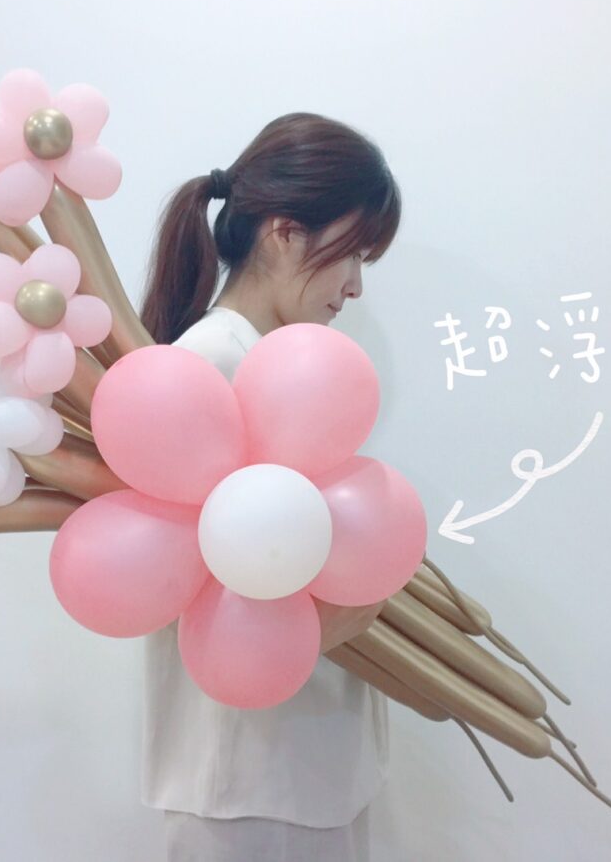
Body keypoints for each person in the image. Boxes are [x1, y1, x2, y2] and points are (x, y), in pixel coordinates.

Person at [137, 112, 402, 862]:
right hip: (251, 782)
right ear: (285, 232)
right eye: (354, 254)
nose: (355, 286)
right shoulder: (206, 369)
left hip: (299, 774)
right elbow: (200, 596)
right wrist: (348, 608)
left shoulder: (273, 364)